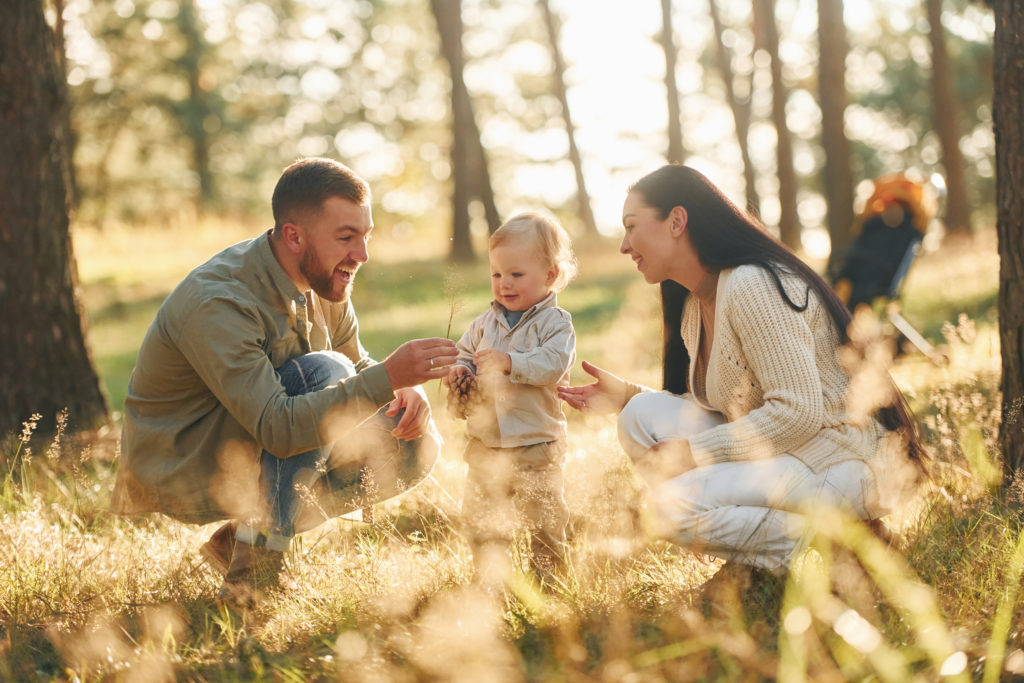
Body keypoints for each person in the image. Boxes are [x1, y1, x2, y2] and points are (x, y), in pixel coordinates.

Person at [111, 157, 458, 605]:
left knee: (414, 442)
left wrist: (401, 390)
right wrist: (385, 377)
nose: (362, 255)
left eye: (365, 236)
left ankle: (240, 540)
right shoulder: (219, 301)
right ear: (294, 236)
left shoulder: (326, 280)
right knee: (327, 372)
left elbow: (358, 362)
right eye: (346, 237)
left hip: (260, 440)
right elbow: (280, 424)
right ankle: (252, 581)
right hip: (189, 460)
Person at [557, 165, 926, 578]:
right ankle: (764, 548)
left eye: (631, 226)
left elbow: (798, 412)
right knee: (638, 417)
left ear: (677, 221)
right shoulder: (697, 303)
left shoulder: (752, 285)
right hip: (789, 453)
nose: (624, 246)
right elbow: (726, 406)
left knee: (665, 509)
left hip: (841, 459)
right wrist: (627, 394)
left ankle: (810, 545)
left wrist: (693, 454)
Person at [444, 212, 577, 585]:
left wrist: (509, 362)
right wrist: (460, 371)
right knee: (483, 517)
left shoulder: (556, 324)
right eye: (497, 274)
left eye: (516, 274)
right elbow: (464, 352)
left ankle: (551, 581)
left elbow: (552, 365)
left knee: (545, 518)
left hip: (536, 444)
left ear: (550, 275)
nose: (504, 284)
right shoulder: (484, 323)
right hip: (487, 441)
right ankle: (490, 580)